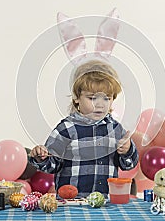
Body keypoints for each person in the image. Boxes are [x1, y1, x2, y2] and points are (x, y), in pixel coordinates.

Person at [29, 59, 139, 198]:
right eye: (92, 98)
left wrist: (127, 151)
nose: (100, 104)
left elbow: (128, 165)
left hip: (105, 203)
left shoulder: (115, 129)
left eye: (106, 98)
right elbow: (52, 165)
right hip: (72, 204)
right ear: (76, 98)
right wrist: (42, 158)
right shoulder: (67, 128)